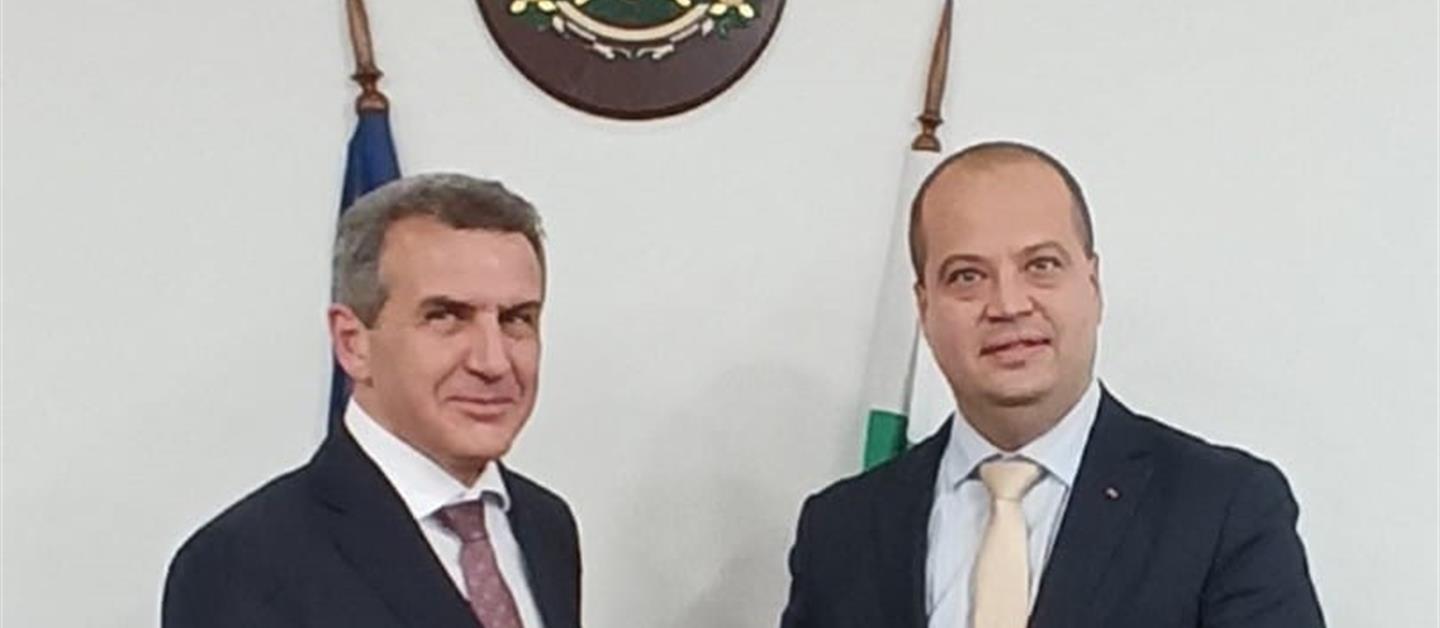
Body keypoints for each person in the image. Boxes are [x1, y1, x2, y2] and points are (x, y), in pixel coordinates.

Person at [780, 142, 1324, 628]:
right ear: (925, 307)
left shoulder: (1224, 509)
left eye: (1040, 265)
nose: (1008, 305)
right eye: (967, 276)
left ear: (1093, 284)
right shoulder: (839, 531)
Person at [163, 173, 580, 628]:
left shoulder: (546, 526)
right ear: (353, 343)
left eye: (517, 319)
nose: (492, 361)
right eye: (446, 317)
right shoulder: (242, 564)